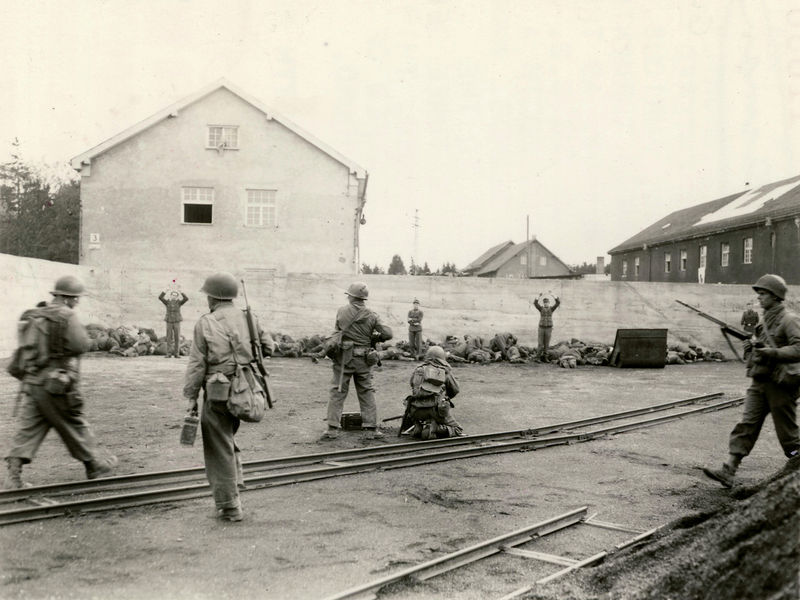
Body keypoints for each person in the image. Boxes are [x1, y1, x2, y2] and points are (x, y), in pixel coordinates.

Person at [4, 276, 118, 489]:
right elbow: (81, 345)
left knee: (28, 429)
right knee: (74, 422)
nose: (77, 302)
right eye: (76, 299)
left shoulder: (35, 314)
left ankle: (13, 477)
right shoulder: (67, 316)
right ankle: (94, 465)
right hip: (55, 385)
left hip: (31, 384)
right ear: (68, 298)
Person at [183, 272, 274, 521]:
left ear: (212, 297)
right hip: (247, 389)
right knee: (226, 437)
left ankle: (229, 504)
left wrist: (191, 396)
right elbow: (269, 347)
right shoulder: (250, 317)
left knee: (218, 445)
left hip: (218, 391)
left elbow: (197, 365)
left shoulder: (206, 322)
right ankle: (235, 484)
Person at [703, 274, 800, 488]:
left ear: (776, 296)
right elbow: (760, 347)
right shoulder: (764, 319)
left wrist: (772, 353)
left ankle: (797, 468)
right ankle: (729, 469)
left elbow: (799, 348)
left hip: (780, 385)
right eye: (759, 294)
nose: (759, 298)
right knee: (747, 424)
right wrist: (752, 348)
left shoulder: (789, 319)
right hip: (760, 382)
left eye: (763, 294)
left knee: (788, 435)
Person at [320, 282, 393, 441]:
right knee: (366, 391)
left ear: (351, 296)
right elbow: (388, 334)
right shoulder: (372, 315)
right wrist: (375, 337)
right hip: (364, 360)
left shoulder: (341, 311)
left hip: (344, 359)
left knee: (337, 391)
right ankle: (370, 429)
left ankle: (332, 429)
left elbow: (337, 331)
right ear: (363, 298)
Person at [402, 345, 464, 439]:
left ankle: (418, 426)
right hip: (436, 410)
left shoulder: (418, 369)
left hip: (415, 410)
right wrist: (444, 397)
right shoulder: (445, 371)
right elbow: (455, 390)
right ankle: (435, 428)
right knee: (457, 429)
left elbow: (412, 385)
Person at [159, 289, 189, 358]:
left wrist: (181, 291)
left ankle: (176, 354)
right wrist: (165, 291)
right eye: (172, 295)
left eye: (175, 296)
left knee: (177, 338)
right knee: (169, 337)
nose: (174, 297)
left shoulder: (179, 303)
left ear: (177, 297)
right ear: (170, 295)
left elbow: (186, 298)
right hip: (169, 321)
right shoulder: (167, 302)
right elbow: (160, 297)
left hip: (177, 321)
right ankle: (168, 353)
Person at [534, 292, 561, 360]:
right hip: (541, 328)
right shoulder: (541, 309)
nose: (546, 304)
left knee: (547, 344)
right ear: (543, 303)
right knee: (540, 344)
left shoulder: (551, 309)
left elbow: (558, 303)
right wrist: (538, 296)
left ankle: (545, 357)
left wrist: (553, 295)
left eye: (547, 302)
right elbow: (535, 303)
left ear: (549, 303)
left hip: (549, 328)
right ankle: (538, 358)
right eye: (545, 302)